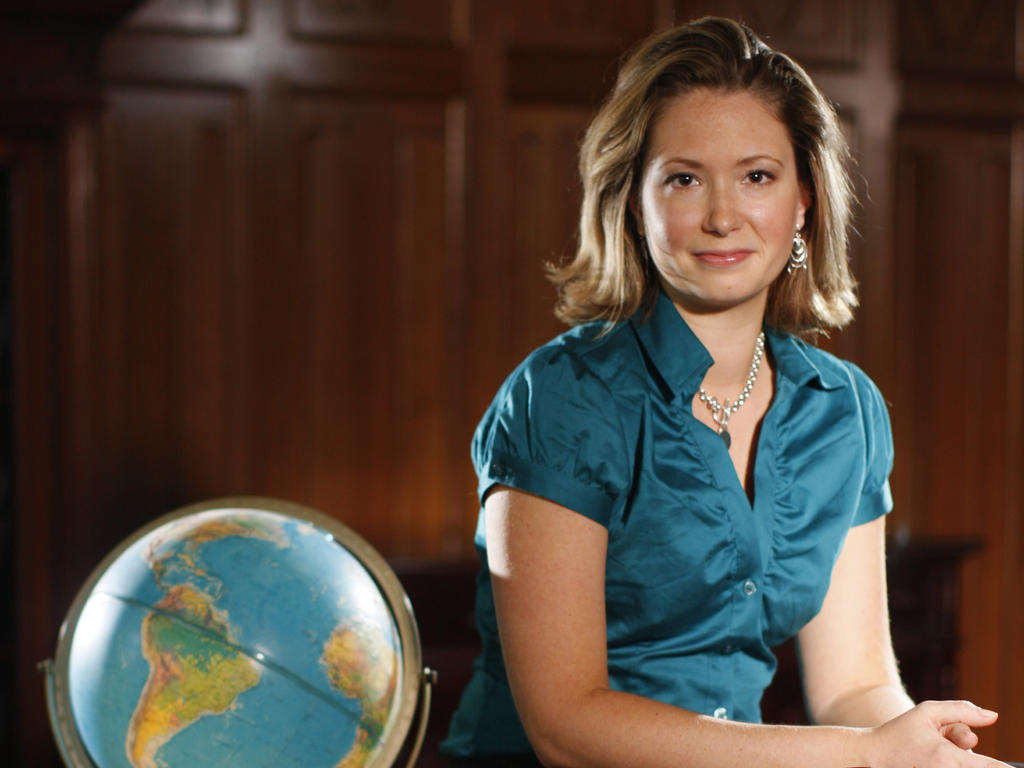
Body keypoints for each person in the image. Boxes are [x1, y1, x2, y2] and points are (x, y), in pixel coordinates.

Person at [440, 16, 1011, 768]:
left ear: (803, 200)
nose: (720, 216)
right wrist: (862, 757)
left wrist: (924, 753)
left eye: (757, 176)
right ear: (634, 205)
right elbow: (565, 727)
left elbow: (856, 689)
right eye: (683, 178)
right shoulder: (561, 399)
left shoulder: (843, 409)